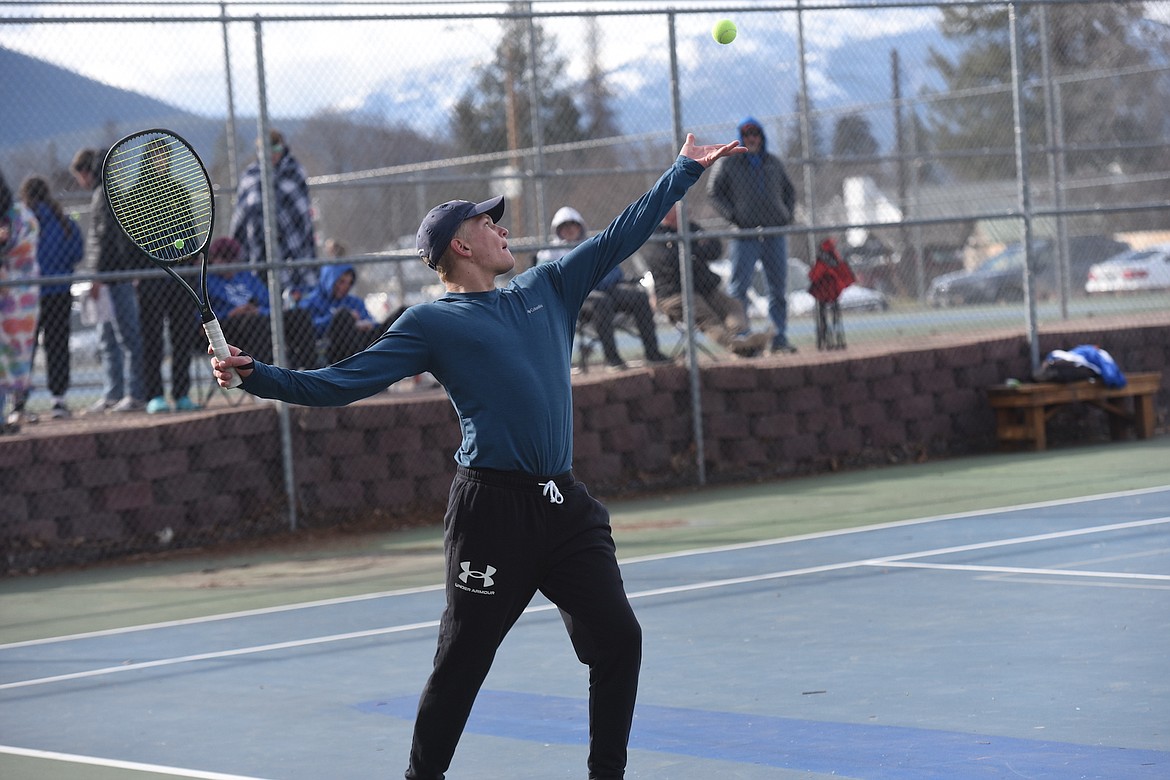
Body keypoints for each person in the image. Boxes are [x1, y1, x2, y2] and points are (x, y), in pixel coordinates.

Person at [211, 134, 746, 780]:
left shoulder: (549, 287)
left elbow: (618, 236)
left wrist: (683, 171)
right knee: (463, 662)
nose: (500, 227)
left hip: (565, 508)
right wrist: (255, 376)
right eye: (486, 222)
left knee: (619, 641)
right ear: (460, 246)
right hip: (490, 514)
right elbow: (339, 383)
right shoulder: (431, 325)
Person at [707, 116, 799, 354]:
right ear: (741, 137)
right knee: (739, 289)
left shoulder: (773, 163)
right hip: (744, 235)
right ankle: (743, 338)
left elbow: (790, 191)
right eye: (747, 135)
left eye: (755, 134)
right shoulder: (729, 163)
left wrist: (785, 216)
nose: (752, 139)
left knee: (778, 289)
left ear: (762, 136)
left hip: (773, 233)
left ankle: (778, 337)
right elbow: (714, 193)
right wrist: (735, 216)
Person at [536, 206, 668, 369]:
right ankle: (612, 359)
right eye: (565, 226)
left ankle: (653, 353)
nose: (570, 230)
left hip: (605, 289)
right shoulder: (550, 252)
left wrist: (595, 280)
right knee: (601, 302)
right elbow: (545, 280)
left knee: (638, 296)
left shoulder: (592, 245)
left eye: (573, 225)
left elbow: (614, 273)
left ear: (580, 226)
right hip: (575, 299)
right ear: (558, 229)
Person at [71, 147, 148, 413]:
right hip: (109, 276)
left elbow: (104, 239)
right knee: (108, 338)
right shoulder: (103, 193)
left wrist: (99, 278)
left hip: (113, 278)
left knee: (127, 337)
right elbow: (100, 239)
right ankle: (113, 393)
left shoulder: (105, 194)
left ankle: (135, 394)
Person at [132, 138, 204, 414]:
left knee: (182, 337)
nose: (162, 160)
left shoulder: (178, 191)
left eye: (165, 156)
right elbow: (133, 241)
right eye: (157, 156)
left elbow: (190, 234)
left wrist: (189, 255)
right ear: (148, 159)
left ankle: (181, 394)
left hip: (180, 278)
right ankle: (155, 396)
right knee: (152, 339)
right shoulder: (137, 195)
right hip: (151, 279)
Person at [641, 203, 770, 358]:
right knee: (707, 316)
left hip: (704, 288)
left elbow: (715, 248)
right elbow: (670, 261)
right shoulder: (656, 235)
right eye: (678, 210)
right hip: (675, 294)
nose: (687, 213)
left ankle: (742, 337)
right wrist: (695, 251)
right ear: (668, 215)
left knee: (733, 305)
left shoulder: (691, 228)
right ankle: (737, 346)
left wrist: (689, 252)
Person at [15, 175, 84, 420]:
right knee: (58, 345)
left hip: (28, 296)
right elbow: (77, 252)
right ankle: (59, 400)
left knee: (25, 348)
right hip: (59, 292)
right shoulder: (63, 221)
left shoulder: (24, 222)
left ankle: (19, 404)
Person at [229, 128, 318, 304]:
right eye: (265, 151)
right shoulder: (250, 175)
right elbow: (242, 214)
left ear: (283, 148)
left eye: (276, 150)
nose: (272, 156)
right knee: (262, 298)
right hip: (258, 246)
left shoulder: (294, 171)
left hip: (291, 248)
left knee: (294, 303)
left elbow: (301, 212)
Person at [204, 236, 316, 369]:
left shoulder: (246, 276)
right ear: (213, 260)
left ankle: (310, 370)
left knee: (299, 315)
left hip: (259, 316)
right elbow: (203, 318)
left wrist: (258, 310)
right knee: (256, 322)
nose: (229, 264)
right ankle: (266, 373)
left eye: (232, 259)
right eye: (223, 259)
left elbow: (270, 304)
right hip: (230, 325)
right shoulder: (207, 281)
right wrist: (231, 313)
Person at [0, 170, 40, 433]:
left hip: (13, 300)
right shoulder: (23, 214)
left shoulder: (15, 218)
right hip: (25, 298)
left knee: (6, 356)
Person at [298, 263, 393, 365]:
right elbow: (308, 328)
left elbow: (368, 320)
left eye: (349, 283)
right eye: (341, 282)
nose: (345, 287)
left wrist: (367, 324)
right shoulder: (310, 301)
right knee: (344, 315)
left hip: (362, 341)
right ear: (330, 280)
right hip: (332, 347)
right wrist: (336, 318)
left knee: (400, 316)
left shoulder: (354, 301)